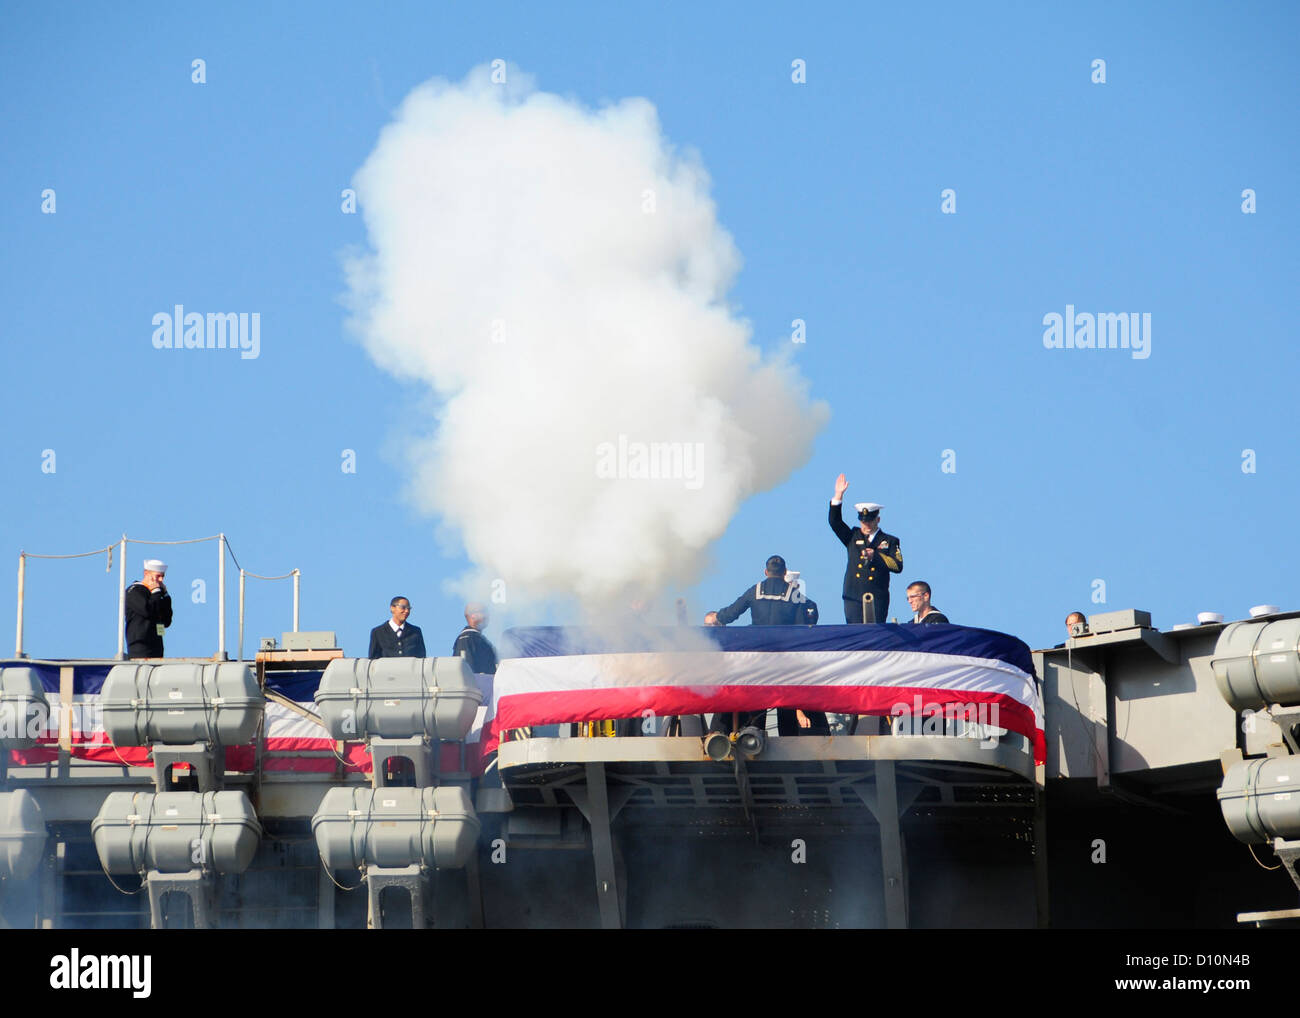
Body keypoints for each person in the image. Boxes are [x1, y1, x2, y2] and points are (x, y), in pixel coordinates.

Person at [704, 556, 828, 736]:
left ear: (765, 572)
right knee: (786, 703)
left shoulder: (755, 590)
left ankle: (754, 734)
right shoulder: (794, 595)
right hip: (784, 662)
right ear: (784, 573)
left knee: (757, 701)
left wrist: (716, 619)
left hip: (757, 660)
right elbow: (805, 625)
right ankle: (788, 742)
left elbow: (731, 614)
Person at [828, 473, 903, 623]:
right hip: (853, 595)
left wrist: (875, 556)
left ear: (878, 520)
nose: (866, 525)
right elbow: (835, 523)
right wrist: (838, 496)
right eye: (863, 522)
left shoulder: (889, 540)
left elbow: (897, 565)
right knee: (855, 634)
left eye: (870, 521)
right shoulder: (852, 536)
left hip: (877, 595)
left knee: (875, 635)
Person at [125, 559, 173, 658]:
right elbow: (147, 611)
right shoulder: (134, 591)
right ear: (146, 574)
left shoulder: (158, 593)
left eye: (162, 576)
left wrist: (165, 596)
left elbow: (166, 621)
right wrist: (155, 592)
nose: (161, 580)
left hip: (156, 645)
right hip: (140, 644)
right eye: (158, 576)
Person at [452, 602, 498, 675]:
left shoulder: (479, 639)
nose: (487, 616)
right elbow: (466, 671)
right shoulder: (467, 639)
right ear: (473, 615)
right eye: (483, 612)